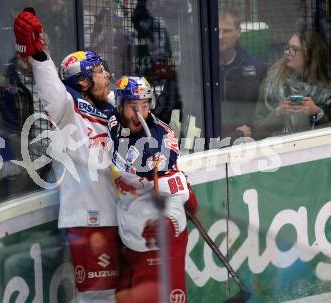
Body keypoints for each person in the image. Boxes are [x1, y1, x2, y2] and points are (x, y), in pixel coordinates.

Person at [14, 8, 120, 303]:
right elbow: (51, 89)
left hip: (119, 218)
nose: (107, 75)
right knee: (99, 299)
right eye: (99, 71)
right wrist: (38, 53)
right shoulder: (67, 110)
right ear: (83, 82)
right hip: (90, 223)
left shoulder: (109, 106)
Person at [107, 76, 197, 303]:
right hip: (131, 235)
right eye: (133, 107)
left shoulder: (159, 140)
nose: (140, 113)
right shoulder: (115, 123)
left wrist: (169, 222)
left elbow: (175, 190)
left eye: (145, 106)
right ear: (120, 106)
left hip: (158, 237)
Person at [254, 31, 331, 139]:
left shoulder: (326, 90)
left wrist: (316, 112)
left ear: (309, 55)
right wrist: (278, 113)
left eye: (294, 49)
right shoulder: (271, 84)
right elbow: (257, 131)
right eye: (287, 47)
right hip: (279, 150)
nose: (287, 52)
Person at [219, 8, 267, 141]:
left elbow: (263, 110)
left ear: (238, 32)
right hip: (214, 141)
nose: (220, 36)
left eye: (227, 31)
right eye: (217, 30)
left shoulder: (257, 68)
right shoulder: (201, 68)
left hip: (250, 139)